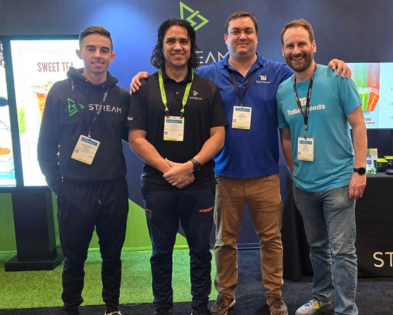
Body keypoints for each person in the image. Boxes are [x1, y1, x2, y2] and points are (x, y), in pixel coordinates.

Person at [130, 12, 350, 315]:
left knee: (271, 241)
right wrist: (142, 77)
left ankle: (274, 293)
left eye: (248, 31)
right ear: (225, 38)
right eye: (235, 32)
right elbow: (174, 77)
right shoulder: (206, 74)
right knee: (224, 242)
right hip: (223, 175)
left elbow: (308, 72)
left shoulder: (277, 72)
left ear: (257, 37)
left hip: (265, 175)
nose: (242, 36)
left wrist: (335, 65)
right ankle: (225, 295)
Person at [127, 18, 227, 315]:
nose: (177, 47)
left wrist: (191, 165)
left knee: (200, 252)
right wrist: (170, 169)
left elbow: (218, 137)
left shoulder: (208, 88)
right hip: (159, 185)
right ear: (161, 46)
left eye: (183, 41)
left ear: (191, 47)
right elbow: (136, 139)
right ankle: (163, 308)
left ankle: (199, 307)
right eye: (171, 41)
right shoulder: (144, 87)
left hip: (199, 183)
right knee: (161, 254)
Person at [276, 19, 367, 315]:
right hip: (304, 185)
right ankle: (323, 297)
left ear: (314, 46)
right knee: (317, 247)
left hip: (339, 182)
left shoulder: (338, 76)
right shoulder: (282, 91)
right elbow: (287, 137)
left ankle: (346, 309)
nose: (296, 50)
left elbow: (358, 124)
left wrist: (360, 170)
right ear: (283, 51)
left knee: (342, 252)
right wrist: (295, 171)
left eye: (302, 44)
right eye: (290, 45)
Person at [37, 26, 130, 315]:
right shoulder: (60, 91)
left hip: (114, 189)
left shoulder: (121, 96)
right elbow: (45, 147)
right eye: (91, 49)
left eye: (104, 50)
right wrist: (59, 187)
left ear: (112, 56)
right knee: (74, 260)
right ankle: (71, 309)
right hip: (74, 191)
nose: (98, 55)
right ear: (80, 53)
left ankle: (112, 308)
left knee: (112, 257)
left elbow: (138, 137)